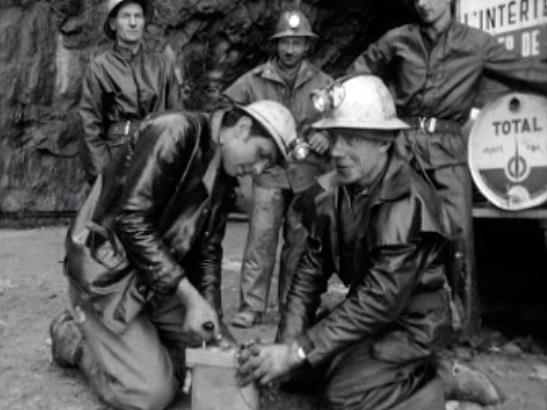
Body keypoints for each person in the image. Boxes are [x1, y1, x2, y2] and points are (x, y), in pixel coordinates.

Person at [49, 100, 300, 410]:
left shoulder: (224, 177)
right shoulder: (176, 130)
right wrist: (190, 299)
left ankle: (146, 349)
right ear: (243, 128)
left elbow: (207, 252)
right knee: (151, 394)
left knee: (226, 360)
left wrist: (211, 316)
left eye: (268, 164)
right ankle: (74, 339)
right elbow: (131, 222)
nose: (259, 169)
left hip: (157, 280)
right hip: (106, 273)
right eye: (262, 154)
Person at [236, 75, 453, 409]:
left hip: (409, 326)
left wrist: (296, 352)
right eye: (335, 137)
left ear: (384, 141)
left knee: (342, 397)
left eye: (351, 139)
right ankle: (372, 370)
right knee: (295, 374)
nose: (337, 151)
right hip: (364, 321)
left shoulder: (408, 201)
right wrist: (286, 348)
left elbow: (379, 300)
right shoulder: (330, 193)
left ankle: (438, 382)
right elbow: (307, 276)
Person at [347, 0, 547, 336]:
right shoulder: (398, 39)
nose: (424, 4)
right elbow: (356, 75)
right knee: (388, 228)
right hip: (403, 146)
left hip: (448, 148)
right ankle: (376, 319)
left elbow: (527, 73)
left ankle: (463, 331)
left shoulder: (476, 43)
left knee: (457, 236)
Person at [223, 10, 333, 327]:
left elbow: (339, 120)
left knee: (300, 243)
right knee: (261, 238)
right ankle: (251, 306)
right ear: (277, 44)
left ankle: (292, 306)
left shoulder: (323, 83)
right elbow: (227, 110)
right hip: (269, 172)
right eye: (285, 42)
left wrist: (325, 135)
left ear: (306, 46)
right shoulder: (255, 79)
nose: (289, 50)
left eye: (296, 43)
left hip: (306, 173)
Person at [79, 0, 182, 185]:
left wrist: (173, 162)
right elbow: (90, 124)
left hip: (157, 154)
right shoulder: (99, 67)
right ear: (113, 23)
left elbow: (178, 118)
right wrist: (102, 175)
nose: (133, 22)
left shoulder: (162, 65)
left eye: (138, 16)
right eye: (126, 16)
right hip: (117, 156)